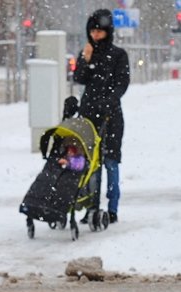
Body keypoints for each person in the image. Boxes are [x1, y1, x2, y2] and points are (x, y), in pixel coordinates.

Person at [72, 8, 130, 224]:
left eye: (100, 31)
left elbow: (122, 83)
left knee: (110, 161)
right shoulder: (87, 52)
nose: (95, 35)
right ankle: (91, 206)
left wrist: (109, 102)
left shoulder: (118, 55)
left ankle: (112, 208)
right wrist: (85, 60)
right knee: (89, 163)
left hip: (111, 116)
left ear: (108, 32)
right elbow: (79, 78)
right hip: (88, 115)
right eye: (93, 31)